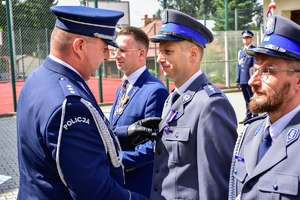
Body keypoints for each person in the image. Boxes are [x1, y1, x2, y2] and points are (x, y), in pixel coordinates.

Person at [16, 6, 159, 200]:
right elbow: (98, 194)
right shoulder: (69, 106)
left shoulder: (39, 78)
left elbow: (78, 136)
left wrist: (125, 135)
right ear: (80, 46)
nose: (108, 56)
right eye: (104, 48)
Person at [148, 9, 238, 199]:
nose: (159, 59)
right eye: (159, 51)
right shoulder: (173, 97)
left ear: (193, 54)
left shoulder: (210, 105)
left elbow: (217, 185)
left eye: (168, 51)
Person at [229, 15, 300, 200]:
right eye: (256, 69)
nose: (253, 81)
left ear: (298, 80)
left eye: (267, 71)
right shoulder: (250, 132)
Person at [109, 26, 169, 198]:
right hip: (120, 183)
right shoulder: (122, 87)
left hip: (139, 186)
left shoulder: (155, 91)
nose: (116, 55)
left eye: (123, 50)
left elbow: (153, 146)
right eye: (115, 50)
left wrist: (115, 163)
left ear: (141, 54)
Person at [236, 30, 257, 123]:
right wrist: (238, 79)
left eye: (247, 37)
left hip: (250, 79)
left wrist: (254, 79)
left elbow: (254, 67)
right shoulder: (241, 52)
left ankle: (255, 115)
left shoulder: (253, 50)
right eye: (244, 38)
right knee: (246, 99)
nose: (245, 39)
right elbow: (239, 66)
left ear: (251, 39)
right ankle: (248, 115)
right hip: (243, 79)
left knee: (252, 98)